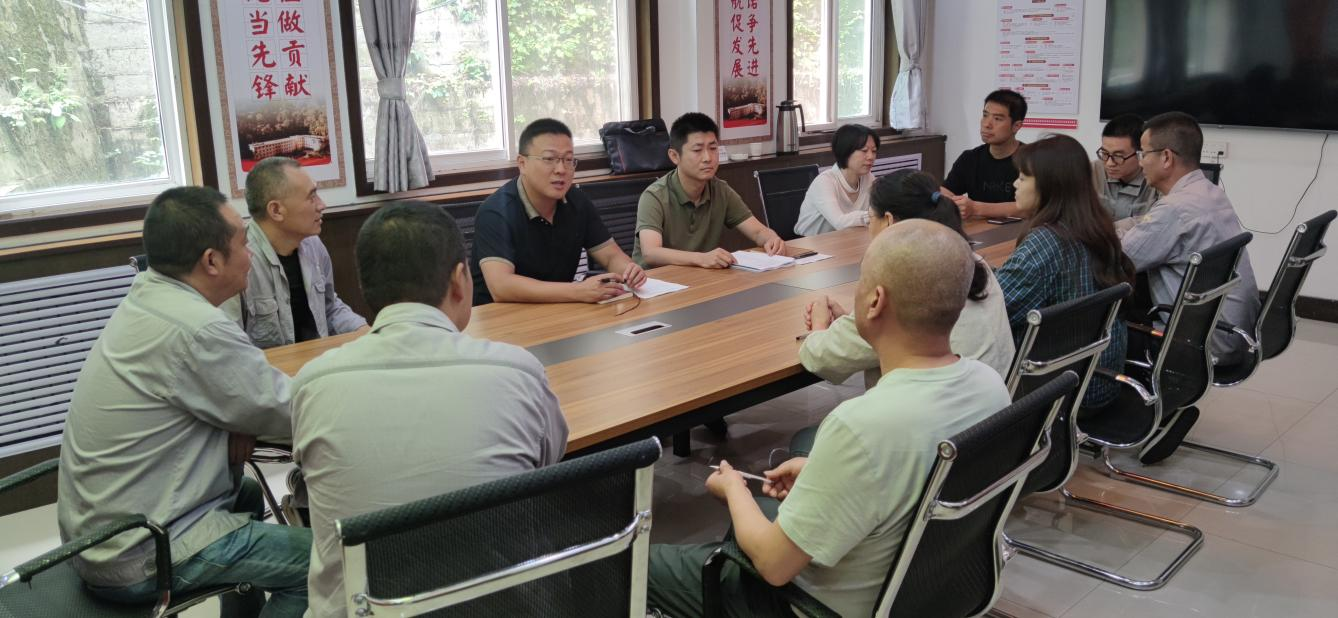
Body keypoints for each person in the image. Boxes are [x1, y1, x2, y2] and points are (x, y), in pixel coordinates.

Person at [647, 220, 1012, 618]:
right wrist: (823, 470)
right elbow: (908, 480)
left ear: (875, 301)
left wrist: (734, 489)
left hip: (815, 606)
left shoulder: (861, 426)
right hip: (932, 593)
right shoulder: (991, 386)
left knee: (633, 568)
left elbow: (773, 564)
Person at [293, 202, 567, 617]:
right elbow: (548, 463)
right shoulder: (517, 370)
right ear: (459, 280)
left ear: (366, 288)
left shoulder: (312, 383)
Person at [57, 186, 310, 617]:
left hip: (100, 534)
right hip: (142, 550)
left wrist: (238, 419)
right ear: (212, 261)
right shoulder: (198, 329)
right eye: (244, 243)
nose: (251, 254)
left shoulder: (148, 297)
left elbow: (235, 399)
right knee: (325, 562)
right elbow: (290, 412)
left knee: (246, 494)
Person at [1122, 112, 1261, 462]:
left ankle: (1143, 413)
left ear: (1166, 157)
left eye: (1143, 153)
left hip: (1200, 340)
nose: (1140, 161)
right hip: (1231, 330)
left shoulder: (1175, 209)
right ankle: (1166, 404)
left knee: (1098, 320)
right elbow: (1146, 226)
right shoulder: (1208, 192)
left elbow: (1121, 261)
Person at [800, 169, 1015, 392]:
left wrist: (819, 324)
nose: (868, 227)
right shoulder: (972, 261)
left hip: (936, 407)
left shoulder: (903, 280)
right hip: (993, 402)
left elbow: (821, 358)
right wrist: (857, 319)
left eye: (869, 218)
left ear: (889, 221)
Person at [994, 134, 1137, 409]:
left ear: (1049, 185)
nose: (1015, 184)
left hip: (1056, 392)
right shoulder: (1096, 227)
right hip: (1099, 380)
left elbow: (994, 313)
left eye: (1022, 178)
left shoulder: (1045, 242)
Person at [472, 118, 647, 304]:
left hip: (559, 308)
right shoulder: (496, 212)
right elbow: (501, 286)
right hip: (503, 315)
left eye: (568, 160)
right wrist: (578, 291)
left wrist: (629, 270)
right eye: (549, 159)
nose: (561, 169)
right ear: (522, 164)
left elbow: (611, 256)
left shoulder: (577, 201)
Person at [230, 156, 367, 348]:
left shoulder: (313, 244)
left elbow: (329, 308)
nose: (322, 205)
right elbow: (231, 345)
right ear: (276, 210)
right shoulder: (237, 261)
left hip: (317, 360)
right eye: (312, 197)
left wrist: (364, 331)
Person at [634, 112, 786, 268]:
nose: (708, 158)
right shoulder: (654, 196)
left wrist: (771, 239)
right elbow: (651, 252)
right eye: (697, 150)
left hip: (700, 277)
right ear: (674, 156)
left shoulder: (720, 190)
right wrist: (701, 258)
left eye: (713, 148)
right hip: (656, 280)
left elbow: (757, 232)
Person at [940, 89, 1028, 220]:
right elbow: (946, 192)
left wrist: (975, 208)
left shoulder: (1031, 160)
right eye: (985, 115)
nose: (987, 124)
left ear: (1016, 126)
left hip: (1018, 230)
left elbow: (1030, 208)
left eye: (997, 119)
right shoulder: (969, 158)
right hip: (978, 228)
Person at [793, 124, 878, 236]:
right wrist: (875, 216)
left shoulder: (868, 178)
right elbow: (839, 222)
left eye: (874, 151)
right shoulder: (824, 182)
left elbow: (881, 207)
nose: (871, 157)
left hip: (845, 238)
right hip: (808, 242)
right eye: (864, 150)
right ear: (845, 152)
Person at [1093, 113, 1159, 224]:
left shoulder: (1158, 178)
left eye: (1118, 156)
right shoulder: (1091, 171)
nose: (1109, 163)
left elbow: (1159, 220)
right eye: (1104, 153)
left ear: (1140, 154)